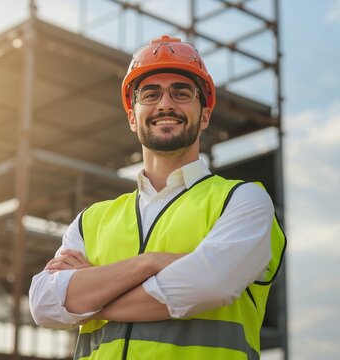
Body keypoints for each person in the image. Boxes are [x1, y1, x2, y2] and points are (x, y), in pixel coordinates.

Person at [29, 35, 286, 360]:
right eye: (150, 94)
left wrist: (85, 303)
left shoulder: (242, 200)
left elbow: (208, 285)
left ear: (204, 116)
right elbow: (43, 304)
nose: (165, 104)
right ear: (133, 118)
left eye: (181, 92)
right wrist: (150, 263)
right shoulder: (91, 220)